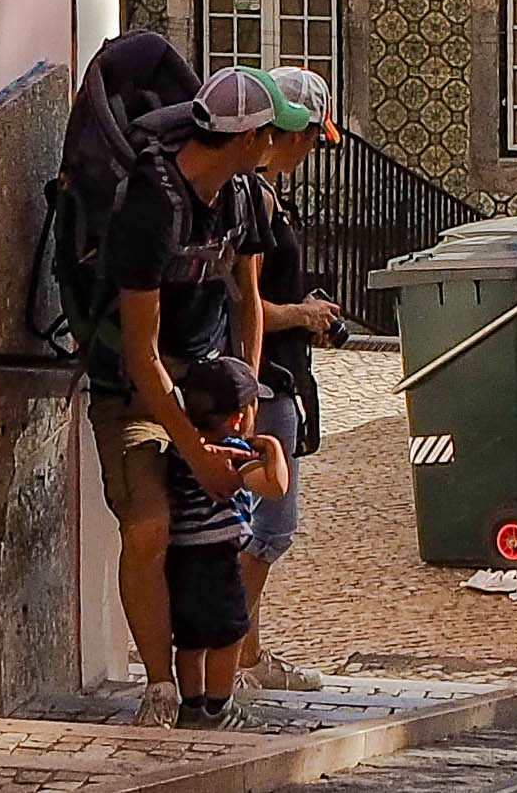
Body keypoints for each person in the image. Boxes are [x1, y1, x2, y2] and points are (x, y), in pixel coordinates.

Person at [82, 63, 278, 721]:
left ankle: (206, 691)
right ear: (246, 136)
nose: (275, 146)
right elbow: (140, 352)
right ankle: (161, 686)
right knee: (149, 525)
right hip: (134, 393)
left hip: (206, 388)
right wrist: (194, 450)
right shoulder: (153, 204)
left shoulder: (242, 196)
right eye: (268, 134)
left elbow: (247, 299)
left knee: (217, 533)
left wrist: (242, 400)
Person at [230, 66, 349, 696]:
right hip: (267, 381)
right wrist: (301, 315)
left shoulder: (256, 194)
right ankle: (240, 658)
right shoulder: (257, 198)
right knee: (266, 530)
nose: (310, 153)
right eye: (310, 140)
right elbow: (241, 305)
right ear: (295, 133)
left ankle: (247, 652)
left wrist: (305, 308)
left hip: (274, 375)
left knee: (258, 528)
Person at [159, 352, 294, 728]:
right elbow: (275, 486)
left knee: (190, 639)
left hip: (179, 554)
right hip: (217, 556)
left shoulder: (180, 450)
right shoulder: (231, 454)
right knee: (229, 634)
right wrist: (275, 450)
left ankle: (191, 706)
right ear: (239, 416)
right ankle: (220, 708)